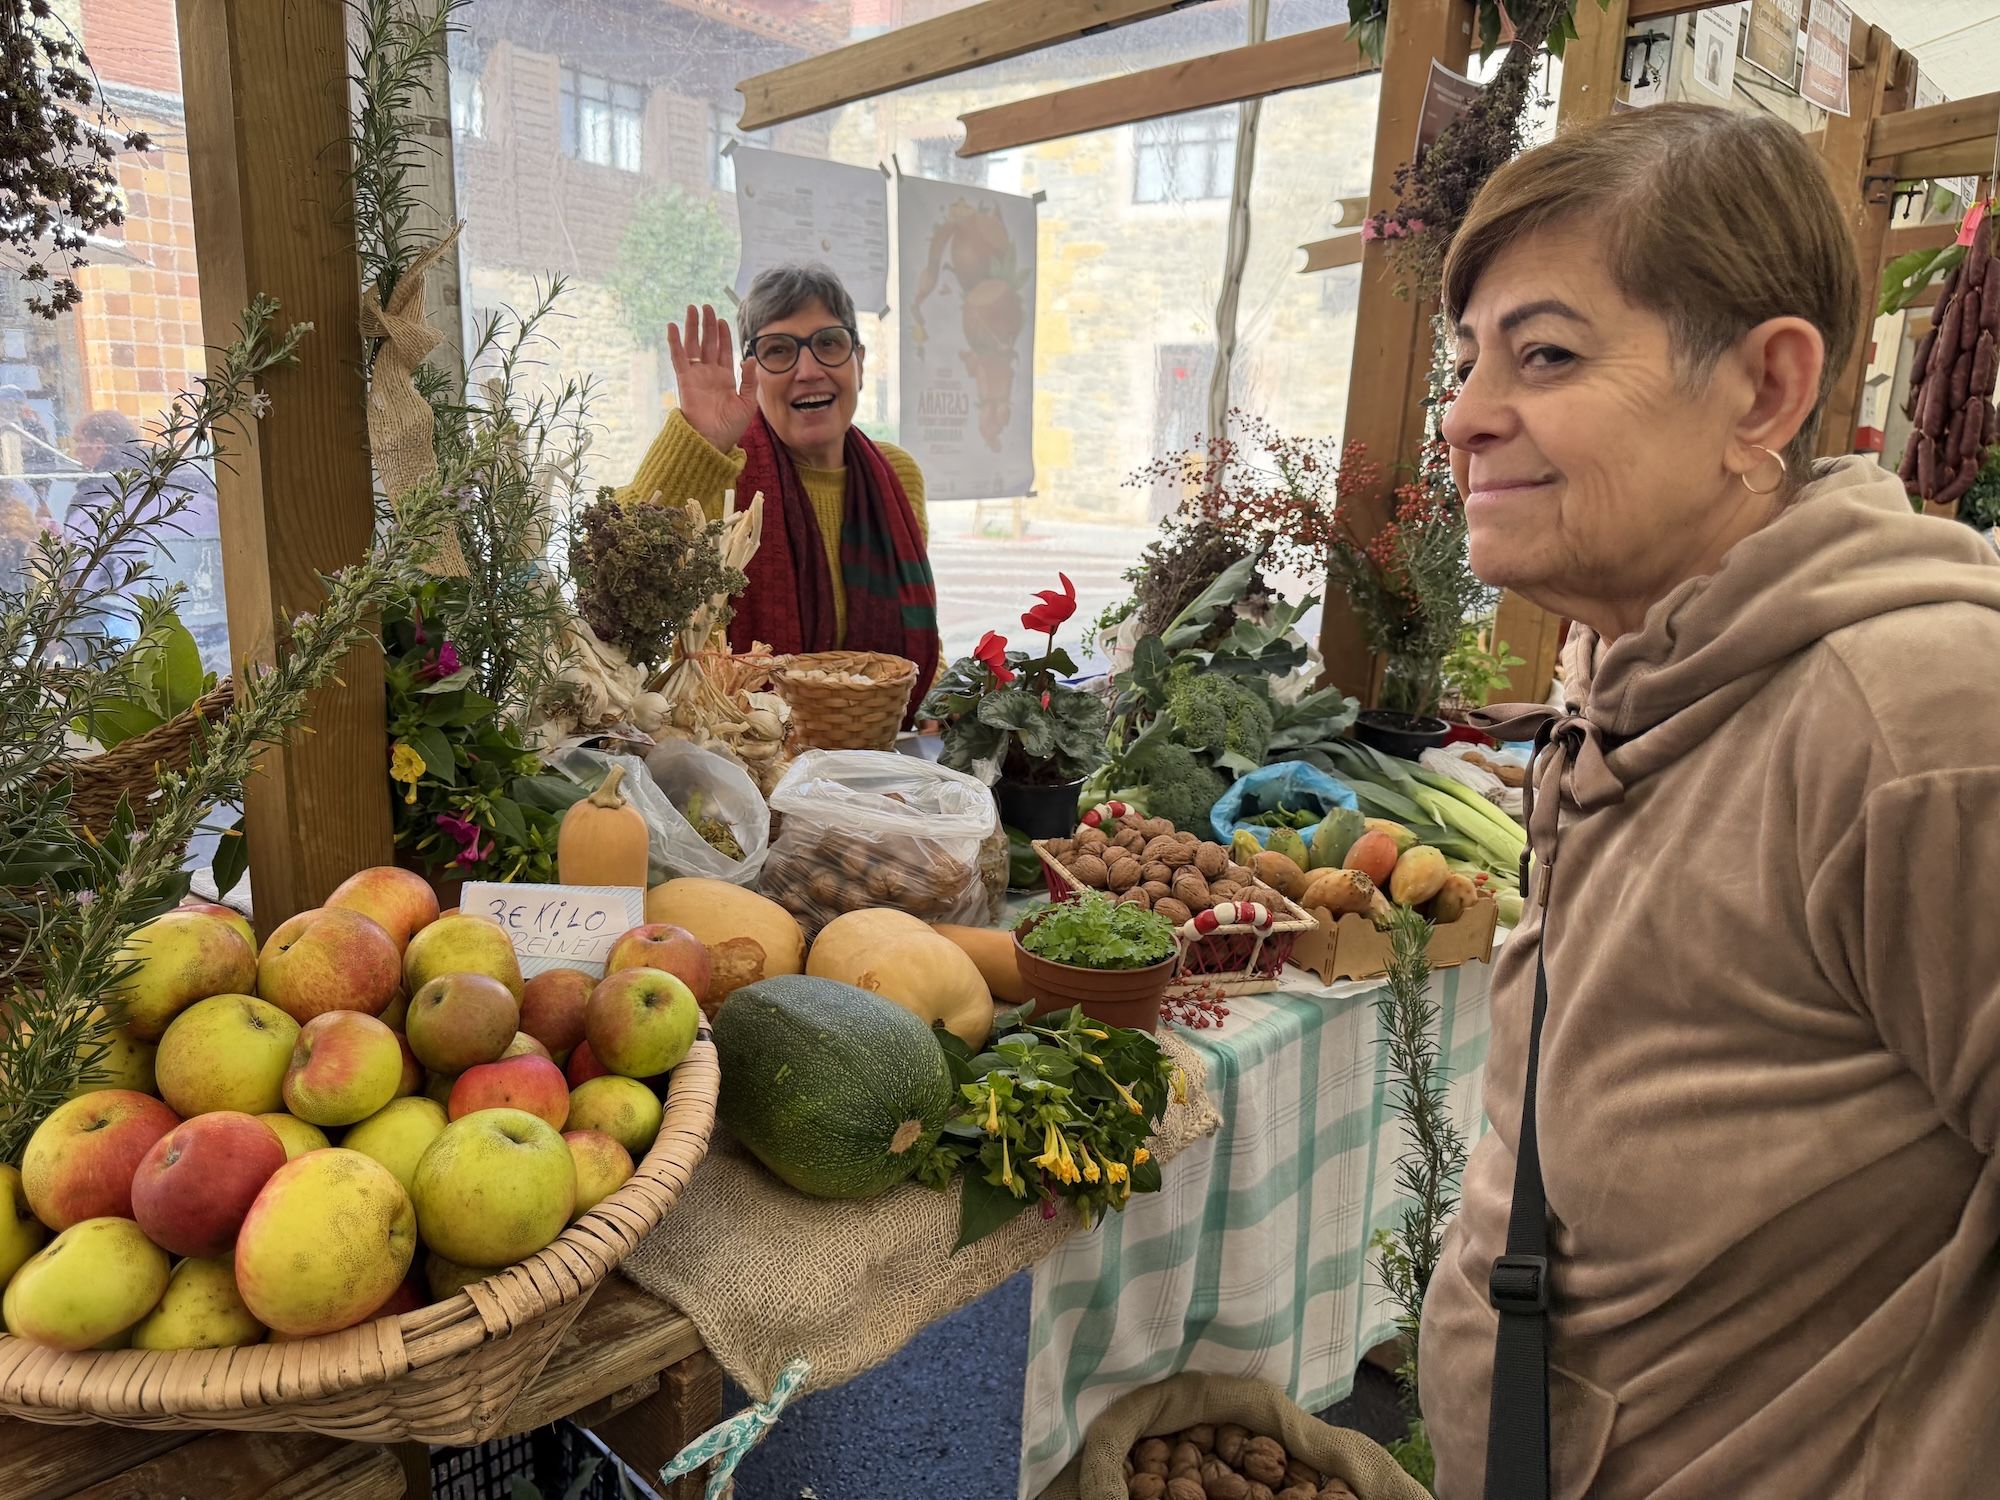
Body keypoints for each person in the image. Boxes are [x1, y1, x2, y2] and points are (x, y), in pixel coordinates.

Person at [1418, 103, 2000, 1498]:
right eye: (1465, 358)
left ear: (1761, 394)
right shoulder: (1642, 670)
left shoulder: (1917, 720)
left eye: (1544, 354)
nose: (1465, 414)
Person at [618, 263, 939, 716]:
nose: (808, 370)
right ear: (752, 373)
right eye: (779, 350)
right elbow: (614, 572)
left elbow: (911, 636)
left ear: (860, 363)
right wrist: (699, 441)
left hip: (875, 744)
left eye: (829, 343)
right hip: (740, 750)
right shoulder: (717, 470)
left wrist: (941, 702)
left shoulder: (897, 475)